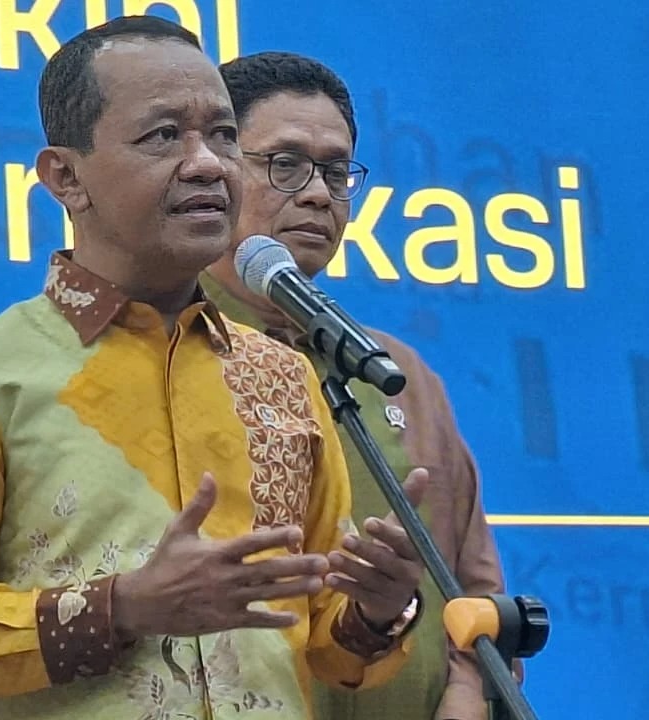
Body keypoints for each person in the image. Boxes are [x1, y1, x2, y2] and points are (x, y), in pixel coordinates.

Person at [0, 16, 430, 720]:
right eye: (164, 135)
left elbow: (325, 650)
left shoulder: (284, 375)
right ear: (66, 177)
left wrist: (378, 609)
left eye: (223, 135)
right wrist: (121, 607)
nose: (208, 163)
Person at [203, 51, 519, 720]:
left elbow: (474, 589)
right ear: (215, 170)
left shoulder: (392, 372)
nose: (318, 194)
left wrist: (468, 695)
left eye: (336, 171)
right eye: (285, 164)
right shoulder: (158, 353)